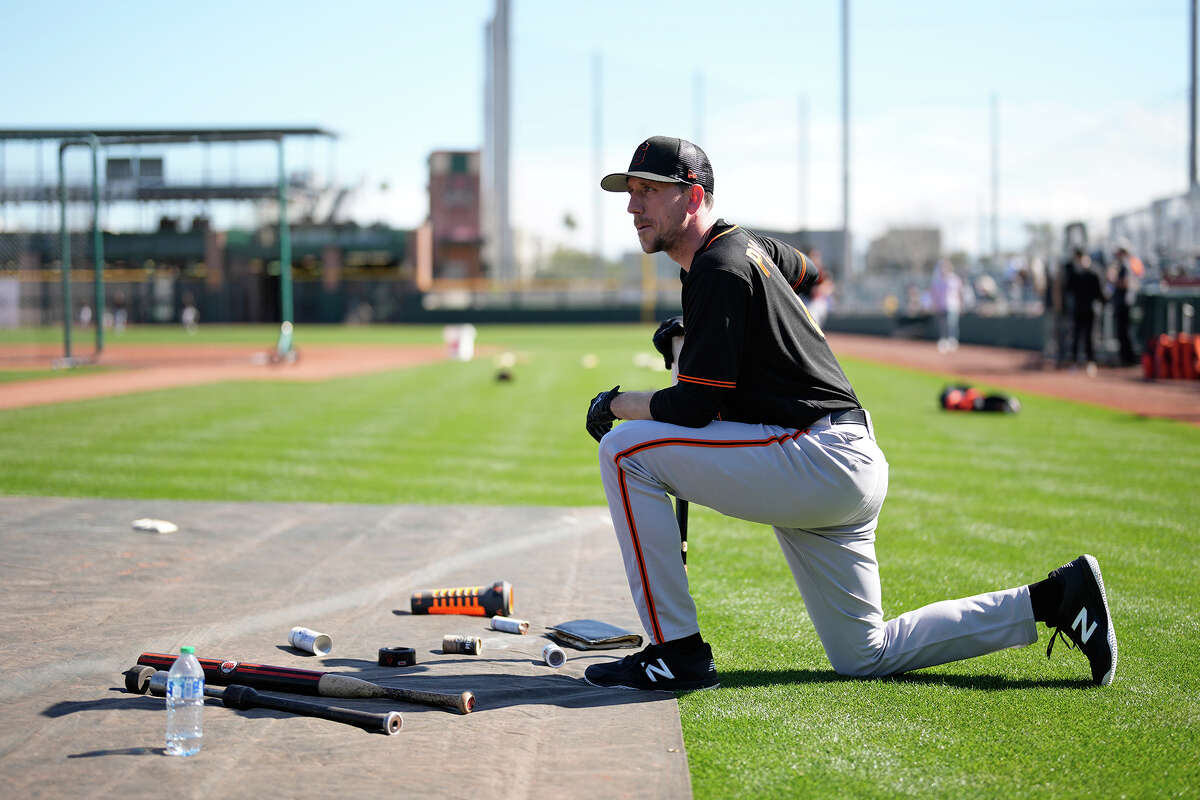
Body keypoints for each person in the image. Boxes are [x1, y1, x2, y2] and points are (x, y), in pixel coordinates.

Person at [583, 135, 1116, 691]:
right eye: (631, 192)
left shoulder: (719, 265)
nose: (632, 205)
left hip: (815, 457)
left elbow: (692, 408)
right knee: (865, 654)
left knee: (624, 450)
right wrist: (721, 331)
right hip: (845, 459)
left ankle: (676, 653)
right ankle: (1053, 599)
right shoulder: (745, 249)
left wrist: (614, 402)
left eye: (648, 191)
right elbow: (810, 274)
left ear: (692, 198)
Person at [1066, 249, 1105, 372]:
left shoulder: (1094, 273)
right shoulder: (1075, 273)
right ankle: (1074, 362)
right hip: (1078, 309)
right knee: (1076, 336)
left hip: (1091, 309)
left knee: (1090, 337)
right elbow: (1069, 288)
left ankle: (1090, 362)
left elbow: (1100, 293)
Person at [1110, 246, 1140, 365]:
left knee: (1125, 332)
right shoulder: (1120, 266)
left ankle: (1129, 358)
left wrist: (1114, 281)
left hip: (1124, 304)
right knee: (1122, 332)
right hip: (1121, 304)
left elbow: (1125, 283)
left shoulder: (1125, 266)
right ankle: (1125, 358)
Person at [930, 259, 963, 352]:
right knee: (943, 324)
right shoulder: (938, 280)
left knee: (952, 323)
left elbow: (959, 292)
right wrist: (935, 304)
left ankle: (952, 340)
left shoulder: (954, 279)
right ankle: (943, 341)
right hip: (941, 305)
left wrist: (960, 304)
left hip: (953, 305)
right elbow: (935, 293)